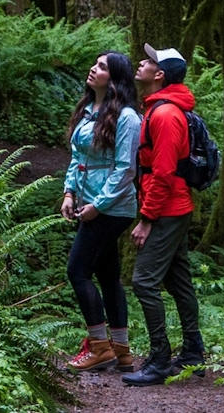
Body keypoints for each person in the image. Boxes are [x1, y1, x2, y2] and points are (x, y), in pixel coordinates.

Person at [122, 44, 206, 386]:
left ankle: (159, 359)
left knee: (144, 281)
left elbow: (164, 173)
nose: (140, 63)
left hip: (168, 210)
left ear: (159, 75)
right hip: (172, 208)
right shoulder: (157, 109)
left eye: (148, 61)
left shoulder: (166, 115)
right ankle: (192, 353)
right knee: (178, 280)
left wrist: (146, 219)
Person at [61, 51, 142, 372]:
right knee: (108, 275)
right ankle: (120, 349)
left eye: (103, 67)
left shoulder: (127, 118)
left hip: (113, 207)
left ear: (116, 78)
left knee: (77, 270)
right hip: (88, 203)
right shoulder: (88, 112)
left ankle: (98, 347)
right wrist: (69, 192)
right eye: (94, 64)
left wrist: (99, 205)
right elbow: (77, 158)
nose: (94, 70)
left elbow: (125, 170)